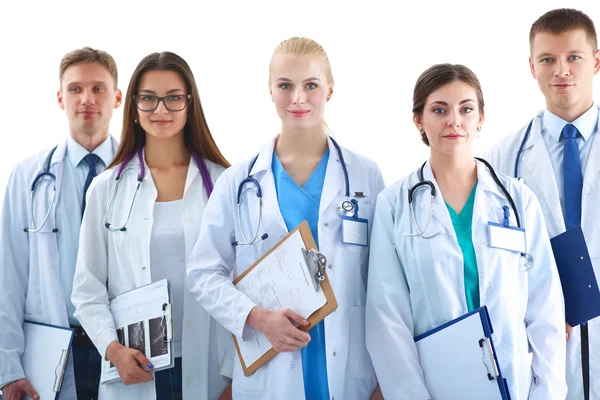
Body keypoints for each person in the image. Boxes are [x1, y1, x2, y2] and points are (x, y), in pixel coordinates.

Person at [186, 37, 385, 400]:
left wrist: (387, 378)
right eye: (285, 86)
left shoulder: (365, 175)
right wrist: (257, 318)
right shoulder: (238, 182)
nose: (298, 98)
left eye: (311, 85)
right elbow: (202, 274)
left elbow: (385, 283)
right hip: (272, 366)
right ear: (270, 90)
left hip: (349, 369)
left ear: (330, 89)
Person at [366, 63, 567, 399]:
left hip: (514, 384)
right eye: (439, 110)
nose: (454, 121)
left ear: (481, 118)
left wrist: (546, 393)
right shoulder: (394, 205)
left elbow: (545, 309)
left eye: (466, 109)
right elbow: (387, 318)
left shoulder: (517, 200)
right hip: (435, 386)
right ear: (419, 120)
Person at [70, 51, 232, 399]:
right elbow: (88, 288)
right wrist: (113, 351)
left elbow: (242, 284)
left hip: (208, 364)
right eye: (148, 98)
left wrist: (237, 374)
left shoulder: (221, 184)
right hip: (134, 367)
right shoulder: (107, 188)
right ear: (133, 106)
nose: (161, 110)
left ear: (190, 105)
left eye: (173, 98)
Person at [485, 8, 600, 399]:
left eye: (574, 58)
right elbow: (494, 263)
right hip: (543, 344)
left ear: (596, 62)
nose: (561, 70)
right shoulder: (503, 160)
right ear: (532, 68)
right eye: (547, 59)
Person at [0, 47, 121, 400]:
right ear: (60, 98)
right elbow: (9, 276)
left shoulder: (140, 173)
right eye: (75, 89)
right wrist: (8, 368)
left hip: (121, 344)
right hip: (52, 348)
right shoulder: (28, 177)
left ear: (116, 98)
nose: (87, 99)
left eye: (98, 88)